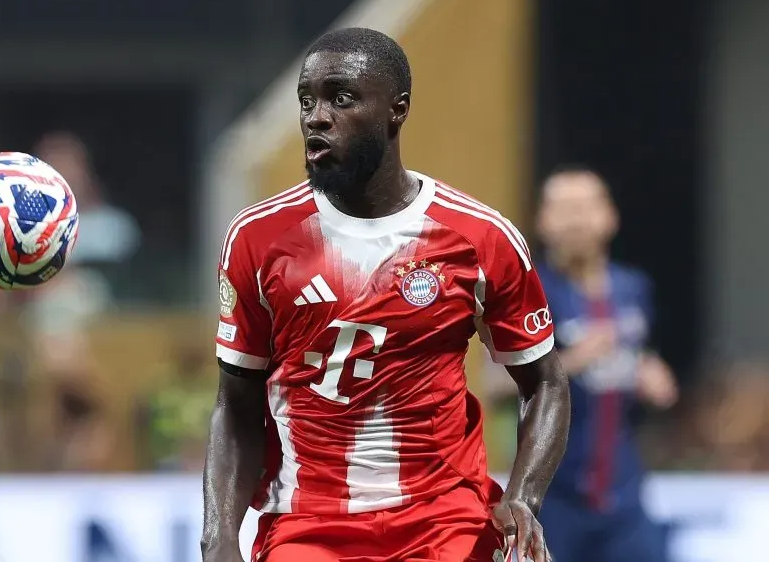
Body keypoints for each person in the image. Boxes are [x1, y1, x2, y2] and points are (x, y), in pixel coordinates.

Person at [201, 28, 570, 562]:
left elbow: (545, 383)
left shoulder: (478, 237)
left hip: (445, 522)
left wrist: (524, 497)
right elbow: (236, 407)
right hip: (309, 526)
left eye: (340, 98)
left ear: (397, 110)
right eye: (307, 101)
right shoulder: (258, 238)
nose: (316, 116)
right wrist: (218, 540)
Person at [531, 167, 676, 562]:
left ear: (610, 215)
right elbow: (494, 384)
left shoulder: (634, 288)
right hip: (552, 497)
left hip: (625, 496)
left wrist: (652, 375)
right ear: (542, 220)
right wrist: (574, 361)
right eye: (564, 208)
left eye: (586, 206)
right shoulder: (530, 292)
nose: (577, 219)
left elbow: (638, 357)